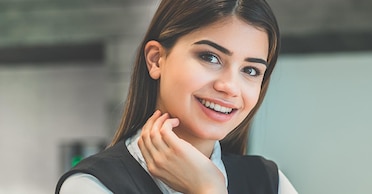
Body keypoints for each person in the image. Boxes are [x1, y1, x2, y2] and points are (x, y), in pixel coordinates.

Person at [55, 0, 297, 193]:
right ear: (156, 59)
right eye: (210, 57)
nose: (230, 87)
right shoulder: (90, 185)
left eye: (250, 70)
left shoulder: (270, 183)